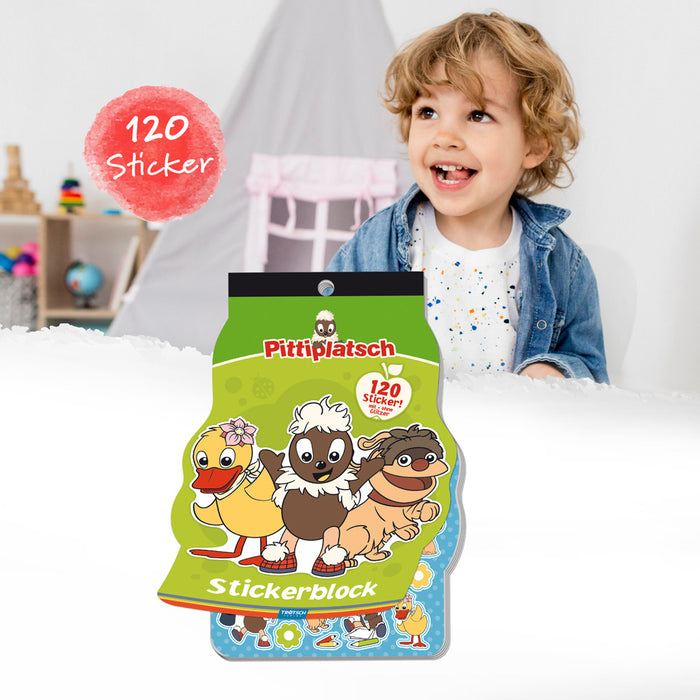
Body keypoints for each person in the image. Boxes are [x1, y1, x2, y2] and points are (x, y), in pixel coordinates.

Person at [327, 12, 607, 383]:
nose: (445, 137)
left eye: (477, 115)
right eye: (428, 112)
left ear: (534, 145)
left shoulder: (563, 265)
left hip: (507, 421)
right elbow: (324, 343)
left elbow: (591, 370)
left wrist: (555, 372)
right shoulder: (376, 244)